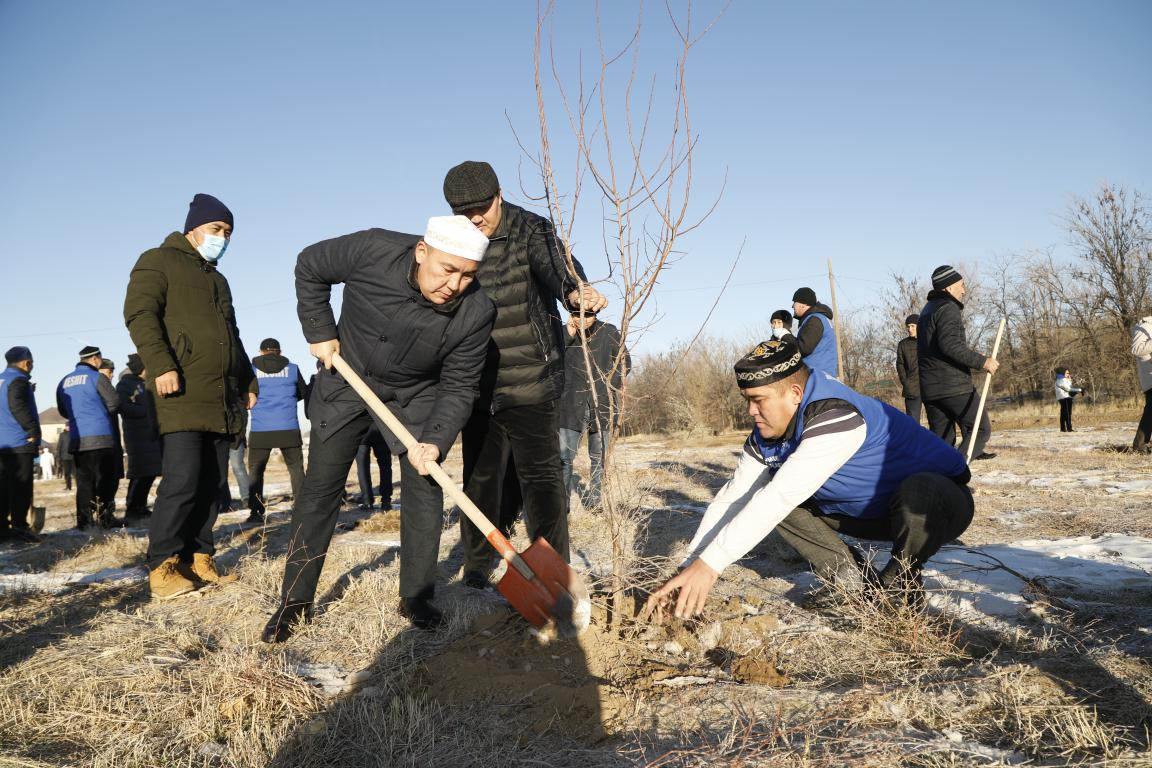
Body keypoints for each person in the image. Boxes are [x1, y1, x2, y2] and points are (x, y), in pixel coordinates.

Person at [262, 214, 495, 641]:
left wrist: (436, 439)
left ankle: (418, 596)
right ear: (422, 252)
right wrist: (319, 330)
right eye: (447, 270)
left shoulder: (477, 311)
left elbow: (461, 384)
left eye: (467, 276)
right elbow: (310, 265)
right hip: (345, 376)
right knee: (319, 489)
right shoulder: (373, 249)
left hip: (415, 396)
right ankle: (294, 601)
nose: (455, 285)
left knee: (425, 483)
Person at [644, 339, 974, 621]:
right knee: (765, 497)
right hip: (869, 517)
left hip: (940, 507)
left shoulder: (835, 414)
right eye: (747, 401)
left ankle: (899, 582)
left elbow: (782, 496)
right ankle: (850, 580)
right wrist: (688, 568)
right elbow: (734, 498)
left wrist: (710, 566)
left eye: (758, 401)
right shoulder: (766, 435)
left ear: (795, 394)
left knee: (918, 490)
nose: (750, 412)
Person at [442, 160, 607, 590]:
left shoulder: (531, 228)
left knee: (543, 484)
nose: (475, 218)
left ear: (499, 196)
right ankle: (476, 567)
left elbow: (560, 270)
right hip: (480, 386)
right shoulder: (456, 242)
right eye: (465, 212)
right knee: (481, 479)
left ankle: (552, 572)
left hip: (533, 379)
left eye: (482, 208)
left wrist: (577, 292)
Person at [124, 193, 257, 600]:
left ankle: (200, 558)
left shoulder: (217, 279)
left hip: (220, 397)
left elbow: (229, 337)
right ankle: (163, 566)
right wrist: (162, 365)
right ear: (193, 228)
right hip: (179, 389)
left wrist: (247, 378)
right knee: (181, 480)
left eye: (228, 233)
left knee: (211, 482)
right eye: (217, 229)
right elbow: (139, 314)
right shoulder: (157, 260)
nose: (223, 238)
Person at [917, 266, 1000, 461]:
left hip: (930, 388)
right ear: (948, 288)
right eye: (961, 285)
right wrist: (983, 362)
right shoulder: (948, 308)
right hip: (952, 385)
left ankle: (938, 483)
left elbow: (939, 348)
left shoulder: (926, 310)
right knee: (980, 429)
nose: (963, 290)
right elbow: (949, 346)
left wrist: (971, 355)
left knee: (942, 440)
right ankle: (957, 472)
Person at [558, 310, 629, 509]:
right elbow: (552, 362)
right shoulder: (563, 334)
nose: (583, 319)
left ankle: (596, 502)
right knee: (564, 458)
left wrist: (607, 384)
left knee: (599, 458)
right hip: (570, 406)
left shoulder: (609, 332)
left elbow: (625, 364)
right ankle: (562, 508)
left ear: (595, 314)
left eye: (588, 315)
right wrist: (568, 333)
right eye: (578, 315)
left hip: (603, 406)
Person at [56, 346, 121, 529]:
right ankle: (105, 518)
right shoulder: (97, 377)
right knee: (105, 479)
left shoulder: (64, 381)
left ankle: (84, 522)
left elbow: (63, 409)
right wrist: (99, 414)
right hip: (101, 437)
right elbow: (114, 403)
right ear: (95, 359)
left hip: (78, 439)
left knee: (84, 482)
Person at [246, 338, 307, 524]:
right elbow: (303, 393)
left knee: (256, 471)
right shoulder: (293, 369)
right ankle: (301, 509)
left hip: (260, 429)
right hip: (288, 427)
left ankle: (256, 512)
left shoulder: (251, 370)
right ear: (279, 352)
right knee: (296, 469)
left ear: (261, 351)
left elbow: (246, 395)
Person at [0, 346, 42, 543]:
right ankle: (19, 526)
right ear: (26, 362)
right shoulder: (19, 380)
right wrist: (32, 430)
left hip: (2, 443)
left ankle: (3, 527)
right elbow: (15, 404)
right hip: (18, 440)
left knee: (3, 487)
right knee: (21, 487)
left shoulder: (3, 379)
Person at [116, 353, 162, 523]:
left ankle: (141, 507)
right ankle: (133, 508)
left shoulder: (146, 383)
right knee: (139, 474)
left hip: (149, 434)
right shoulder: (125, 385)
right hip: (136, 435)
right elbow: (122, 407)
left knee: (149, 473)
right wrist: (147, 413)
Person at [99, 358, 125, 521]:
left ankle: (109, 511)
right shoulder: (97, 387)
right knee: (106, 479)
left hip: (114, 439)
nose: (111, 375)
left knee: (114, 478)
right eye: (109, 372)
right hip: (104, 439)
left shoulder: (109, 388)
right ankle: (104, 513)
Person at [791, 287, 839, 377]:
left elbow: (803, 348)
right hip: (821, 373)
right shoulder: (818, 318)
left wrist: (785, 336)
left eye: (795, 302)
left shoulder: (814, 320)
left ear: (803, 304)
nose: (792, 306)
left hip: (817, 376)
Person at [356, 423, 392, 510]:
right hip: (381, 429)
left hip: (362, 431)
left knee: (362, 467)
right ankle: (386, 501)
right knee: (385, 466)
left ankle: (367, 501)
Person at [1131, 314, 1152, 453]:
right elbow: (1136, 349)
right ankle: (1139, 446)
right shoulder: (1144, 326)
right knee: (1150, 411)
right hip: (1150, 377)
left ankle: (1140, 445)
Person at [895, 314, 922, 423]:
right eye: (908, 327)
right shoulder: (903, 344)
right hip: (912, 388)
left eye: (912, 326)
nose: (910, 329)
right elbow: (900, 364)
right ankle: (916, 441)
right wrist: (905, 382)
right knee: (912, 422)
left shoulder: (927, 341)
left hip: (929, 387)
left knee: (935, 421)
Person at [1053, 368, 1084, 433]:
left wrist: (1070, 381)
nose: (1068, 374)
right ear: (1062, 374)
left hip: (1066, 397)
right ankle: (1069, 428)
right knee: (1067, 413)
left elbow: (1070, 388)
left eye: (1068, 373)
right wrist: (1080, 390)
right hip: (1065, 397)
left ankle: (1063, 429)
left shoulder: (1063, 380)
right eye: (1067, 373)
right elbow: (1068, 389)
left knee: (1064, 413)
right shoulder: (1061, 380)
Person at [56, 424, 74, 491]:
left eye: (69, 426)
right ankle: (68, 486)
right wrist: (59, 456)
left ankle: (80, 487)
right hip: (65, 457)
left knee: (76, 473)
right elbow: (59, 446)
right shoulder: (62, 435)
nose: (68, 427)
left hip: (74, 456)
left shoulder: (74, 433)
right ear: (65, 427)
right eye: (67, 426)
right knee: (67, 473)